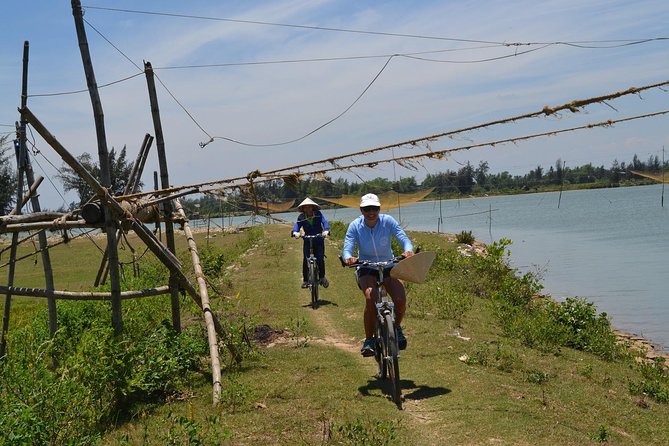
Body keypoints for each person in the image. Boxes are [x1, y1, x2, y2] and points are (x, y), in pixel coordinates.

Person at [341, 193, 414, 357]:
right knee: (370, 298)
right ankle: (369, 340)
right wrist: (348, 258)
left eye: (374, 208)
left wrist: (408, 250)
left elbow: (403, 238)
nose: (371, 212)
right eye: (367, 209)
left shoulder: (388, 221)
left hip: (388, 264)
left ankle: (396, 328)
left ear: (379, 209)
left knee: (400, 299)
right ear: (361, 210)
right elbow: (348, 246)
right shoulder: (355, 226)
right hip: (366, 266)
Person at [291, 197, 330, 289]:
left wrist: (326, 230)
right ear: (303, 209)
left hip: (319, 239)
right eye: (306, 207)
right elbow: (297, 225)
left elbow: (324, 222)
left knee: (320, 258)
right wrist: (295, 232)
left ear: (313, 207)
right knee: (306, 259)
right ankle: (305, 280)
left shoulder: (318, 214)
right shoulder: (301, 217)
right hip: (307, 240)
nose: (308, 209)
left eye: (309, 207)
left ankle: (322, 277)